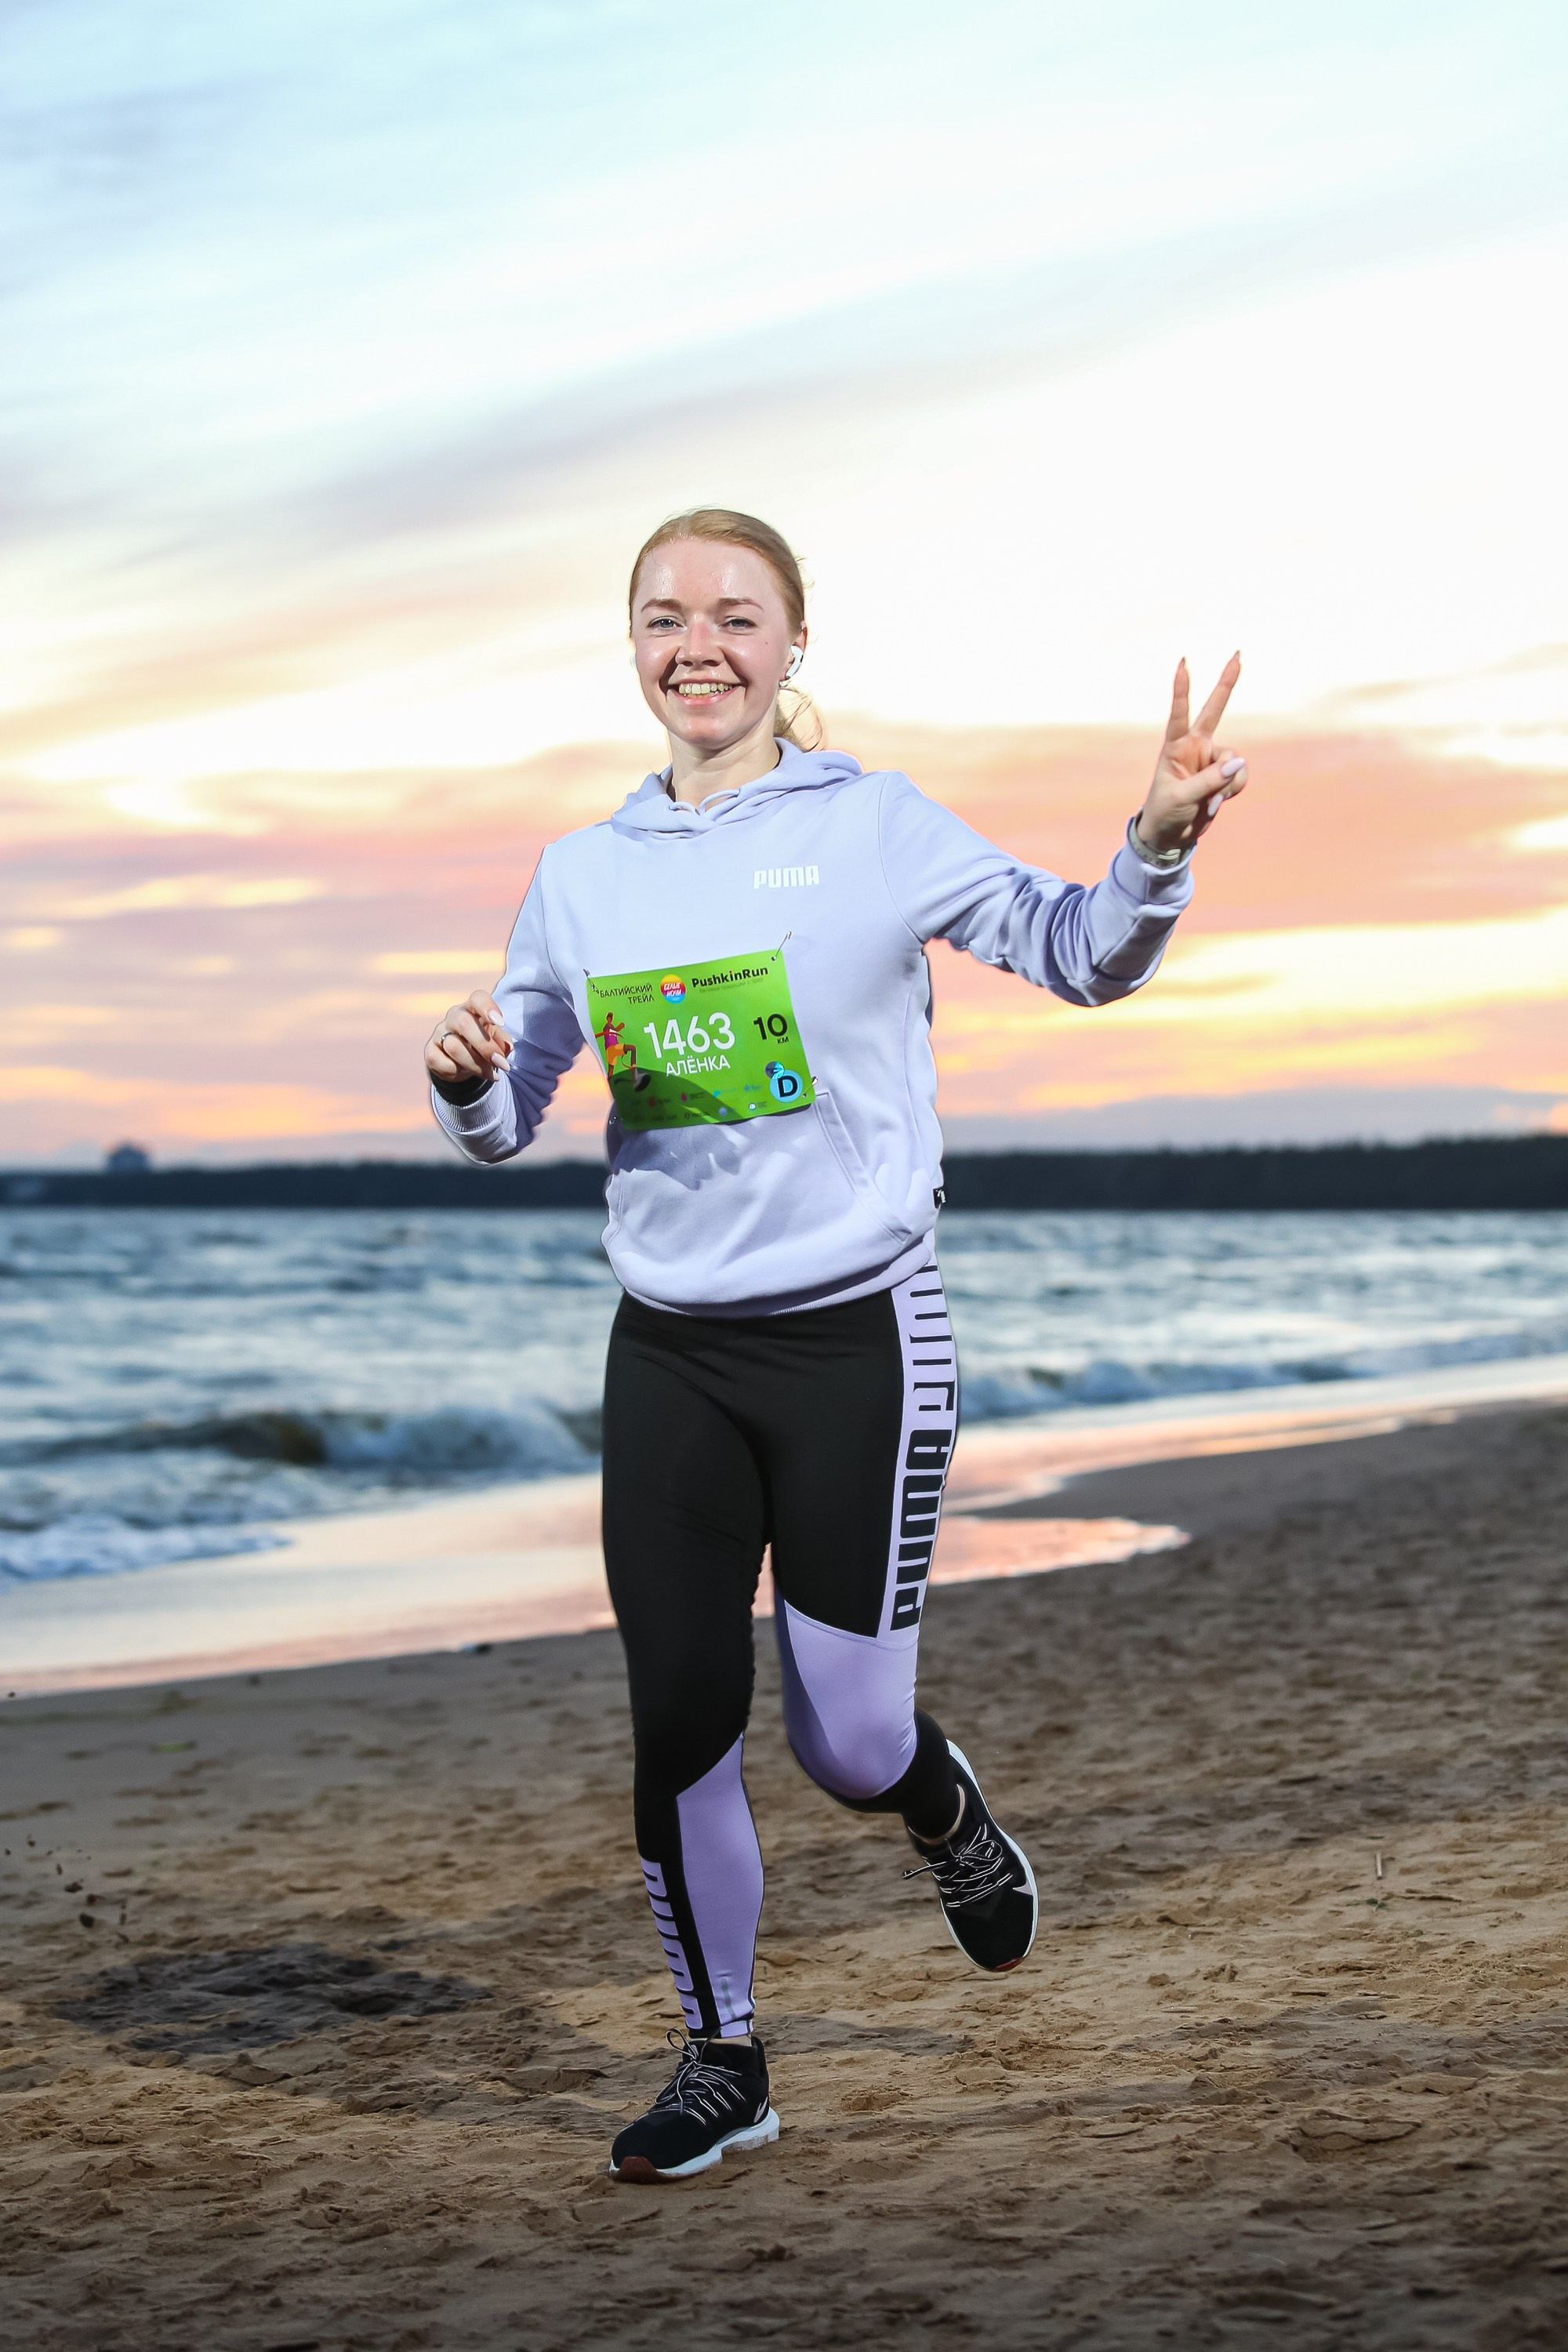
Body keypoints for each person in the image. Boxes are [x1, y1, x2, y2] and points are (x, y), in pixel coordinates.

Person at [424, 508, 1247, 2185]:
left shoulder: (875, 825)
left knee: (844, 1742)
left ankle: (938, 1805)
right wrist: (462, 1085)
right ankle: (726, 2056)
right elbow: (515, 1108)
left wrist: (1154, 838)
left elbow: (1082, 952)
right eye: (665, 618)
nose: (698, 644)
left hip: (857, 1339)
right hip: (668, 1354)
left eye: (735, 614)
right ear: (634, 648)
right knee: (680, 1715)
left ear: (795, 644)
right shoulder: (580, 874)